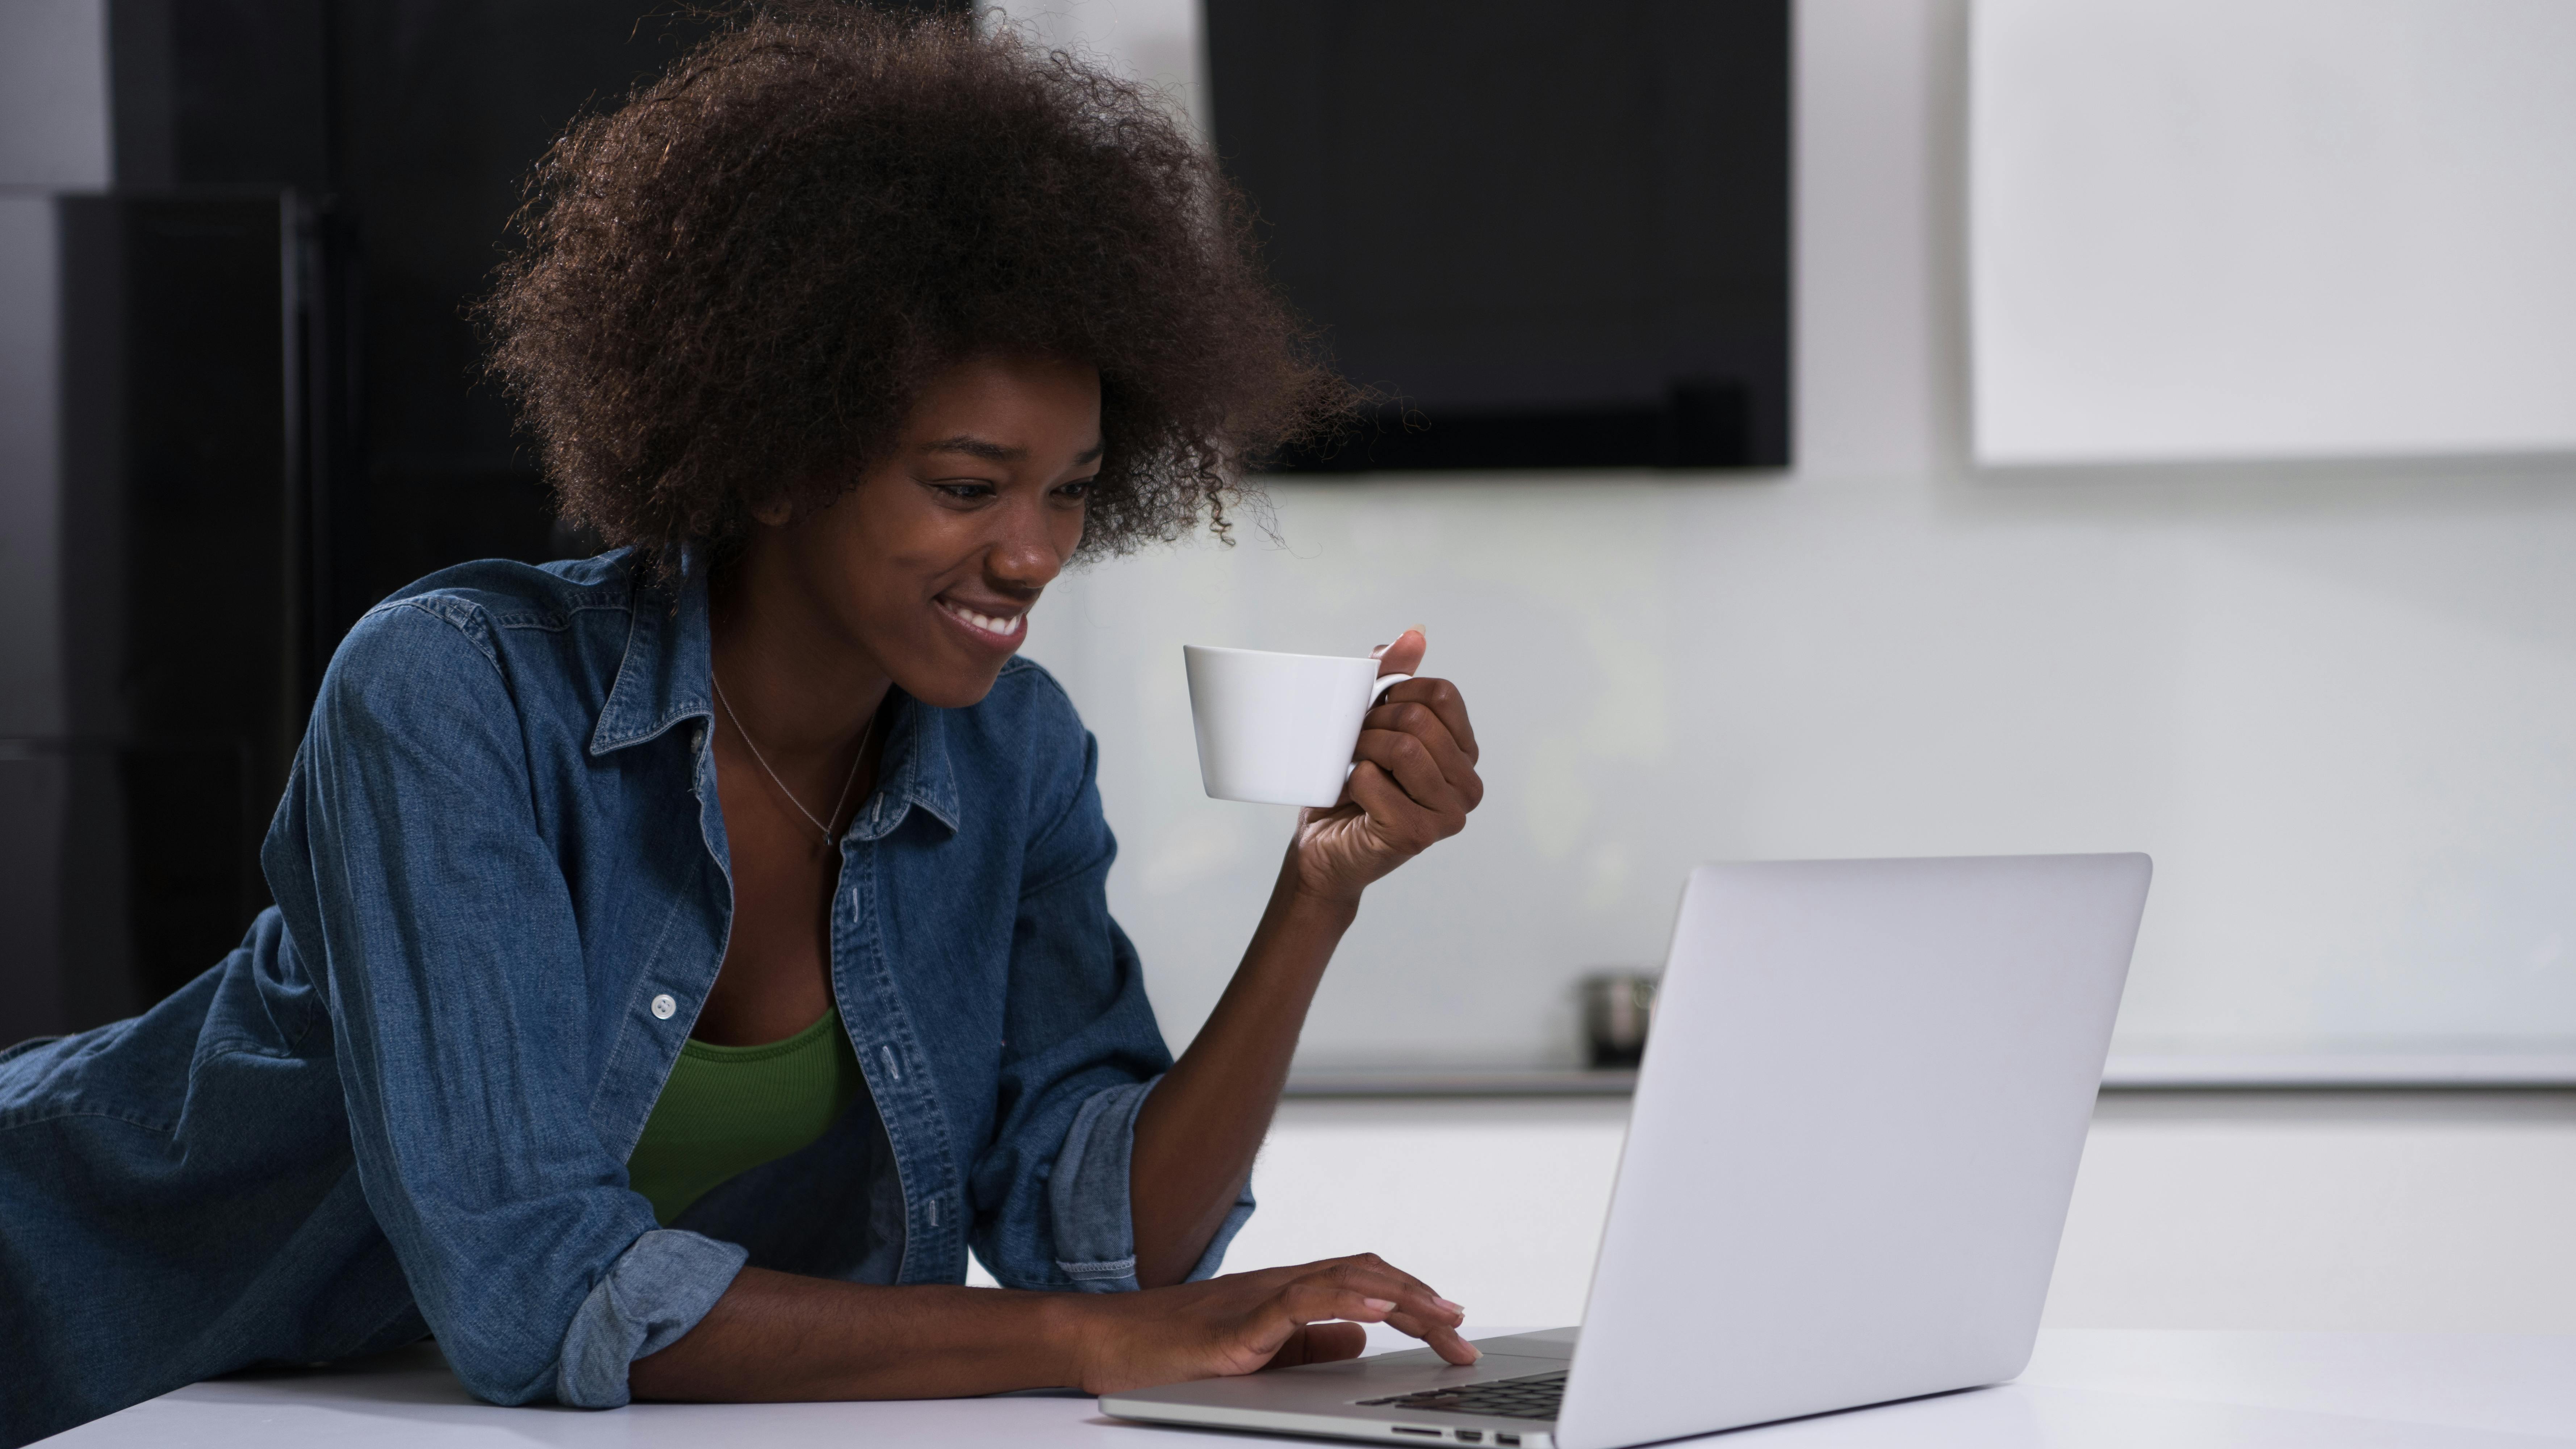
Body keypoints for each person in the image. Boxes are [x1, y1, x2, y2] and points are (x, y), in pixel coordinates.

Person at [0, 11, 1486, 1444]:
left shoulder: (1012, 755)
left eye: (1073, 487)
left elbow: (1103, 1246)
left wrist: (1315, 895)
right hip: (82, 1343)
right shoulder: (451, 693)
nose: (1035, 553)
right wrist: (1082, 1342)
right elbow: (541, 1284)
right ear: (779, 456)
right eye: (967, 487)